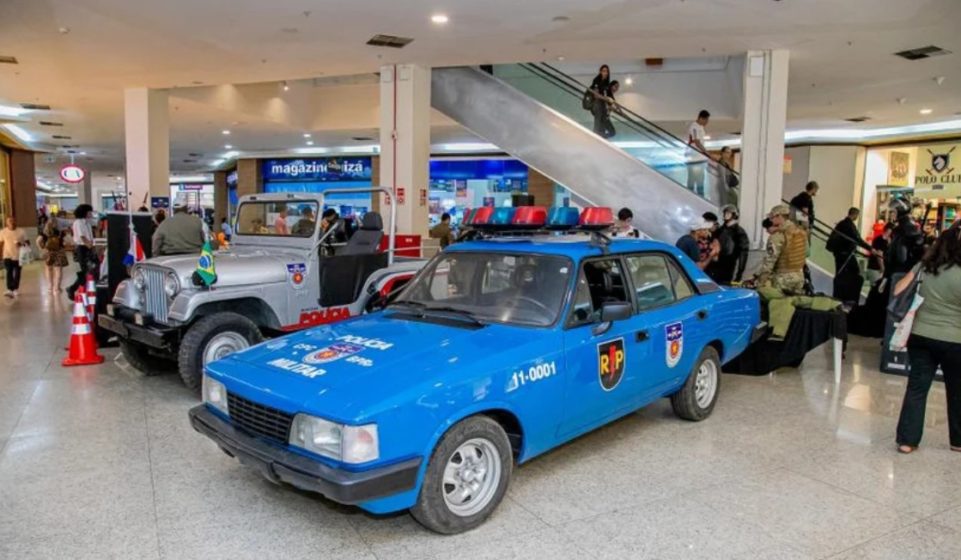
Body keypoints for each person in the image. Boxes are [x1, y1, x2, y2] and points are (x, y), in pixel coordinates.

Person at [894, 223, 961, 454]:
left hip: (921, 335)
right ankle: (958, 442)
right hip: (956, 340)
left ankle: (907, 441)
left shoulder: (926, 265)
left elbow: (898, 289)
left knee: (917, 388)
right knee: (957, 391)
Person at [757, 204, 807, 295]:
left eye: (772, 217)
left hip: (782, 279)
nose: (770, 220)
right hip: (799, 276)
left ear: (779, 216)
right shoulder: (800, 232)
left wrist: (760, 283)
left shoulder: (777, 236)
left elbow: (769, 263)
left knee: (778, 303)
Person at [828, 207, 875, 303]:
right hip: (844, 254)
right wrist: (870, 249)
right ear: (854, 214)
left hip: (841, 253)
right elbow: (857, 239)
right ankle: (847, 297)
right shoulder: (848, 225)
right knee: (854, 272)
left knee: (843, 274)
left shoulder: (843, 223)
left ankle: (842, 297)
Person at [707, 205, 750, 285]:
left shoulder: (739, 232)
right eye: (725, 213)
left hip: (728, 266)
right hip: (714, 264)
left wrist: (739, 273)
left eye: (728, 213)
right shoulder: (720, 230)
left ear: (734, 215)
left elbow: (743, 253)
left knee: (724, 285)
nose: (725, 215)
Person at [885, 197, 925, 277]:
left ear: (900, 211)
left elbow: (901, 257)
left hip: (900, 273)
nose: (891, 214)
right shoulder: (908, 228)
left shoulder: (903, 229)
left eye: (893, 211)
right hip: (902, 272)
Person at [67, 204, 98, 300]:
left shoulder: (87, 222)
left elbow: (96, 224)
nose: (90, 213)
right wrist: (90, 245)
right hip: (82, 248)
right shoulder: (78, 223)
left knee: (91, 270)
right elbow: (82, 237)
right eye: (89, 212)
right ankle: (72, 288)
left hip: (88, 247)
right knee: (86, 271)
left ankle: (75, 288)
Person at [39, 218, 68, 293]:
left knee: (49, 269)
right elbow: (65, 242)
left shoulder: (45, 232)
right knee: (58, 270)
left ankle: (50, 287)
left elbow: (38, 241)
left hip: (49, 252)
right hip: (59, 251)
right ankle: (57, 288)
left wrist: (42, 248)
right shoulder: (60, 232)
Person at [1, 216, 28, 298]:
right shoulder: (3, 232)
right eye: (9, 221)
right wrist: (0, 254)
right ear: (6, 223)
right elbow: (1, 243)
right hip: (7, 255)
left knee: (17, 272)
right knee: (9, 271)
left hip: (19, 255)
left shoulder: (21, 231)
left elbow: (28, 243)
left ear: (15, 221)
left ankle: (15, 288)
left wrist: (21, 244)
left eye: (13, 221)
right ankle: (9, 289)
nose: (11, 222)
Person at [686, 110, 710, 196]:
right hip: (694, 157)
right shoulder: (694, 126)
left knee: (700, 180)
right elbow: (697, 142)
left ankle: (700, 196)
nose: (707, 122)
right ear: (701, 118)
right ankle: (691, 196)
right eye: (706, 120)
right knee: (692, 180)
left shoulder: (701, 127)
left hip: (699, 157)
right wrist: (707, 153)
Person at [589, 65, 612, 138]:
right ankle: (595, 138)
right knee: (598, 123)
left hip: (603, 104)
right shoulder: (597, 80)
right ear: (600, 72)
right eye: (604, 71)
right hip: (597, 103)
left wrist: (608, 101)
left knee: (603, 123)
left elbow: (608, 95)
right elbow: (596, 95)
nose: (605, 73)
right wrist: (606, 99)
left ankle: (601, 138)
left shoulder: (606, 82)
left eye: (607, 71)